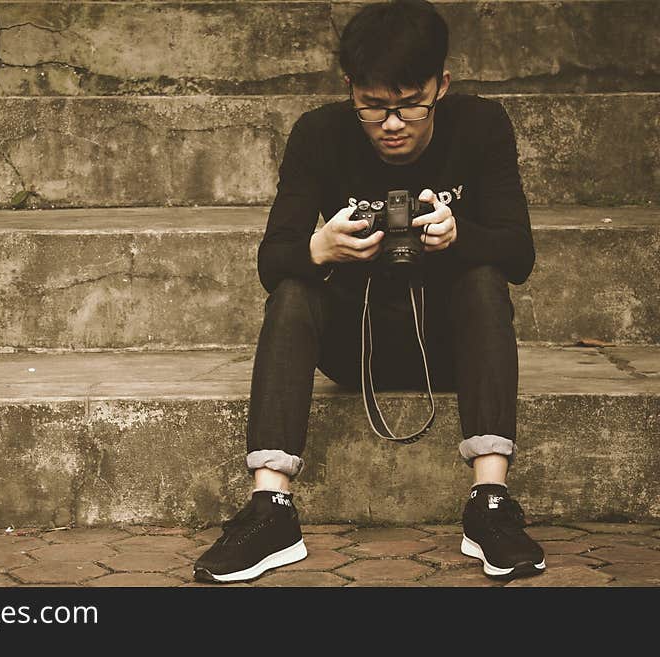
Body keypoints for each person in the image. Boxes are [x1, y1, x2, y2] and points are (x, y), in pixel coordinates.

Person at [193, 0, 545, 583]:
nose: (392, 124)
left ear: (443, 84)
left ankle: (490, 505)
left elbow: (520, 254)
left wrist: (458, 237)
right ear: (350, 89)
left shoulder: (481, 125)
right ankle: (270, 508)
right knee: (291, 292)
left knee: (484, 281)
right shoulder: (320, 134)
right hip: (353, 343)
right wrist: (320, 250)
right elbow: (271, 258)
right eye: (373, 107)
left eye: (411, 105)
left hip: (451, 345)